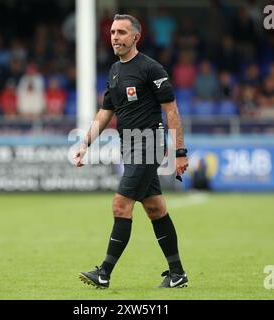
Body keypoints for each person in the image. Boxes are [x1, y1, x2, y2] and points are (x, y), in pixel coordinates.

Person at [74, 14, 189, 289]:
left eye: (122, 32)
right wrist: (84, 143)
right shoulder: (114, 71)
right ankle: (177, 273)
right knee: (154, 207)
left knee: (120, 204)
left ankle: (104, 272)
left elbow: (171, 110)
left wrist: (180, 151)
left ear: (135, 37)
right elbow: (105, 112)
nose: (115, 37)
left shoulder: (151, 69)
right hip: (130, 147)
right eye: (113, 32)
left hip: (148, 144)